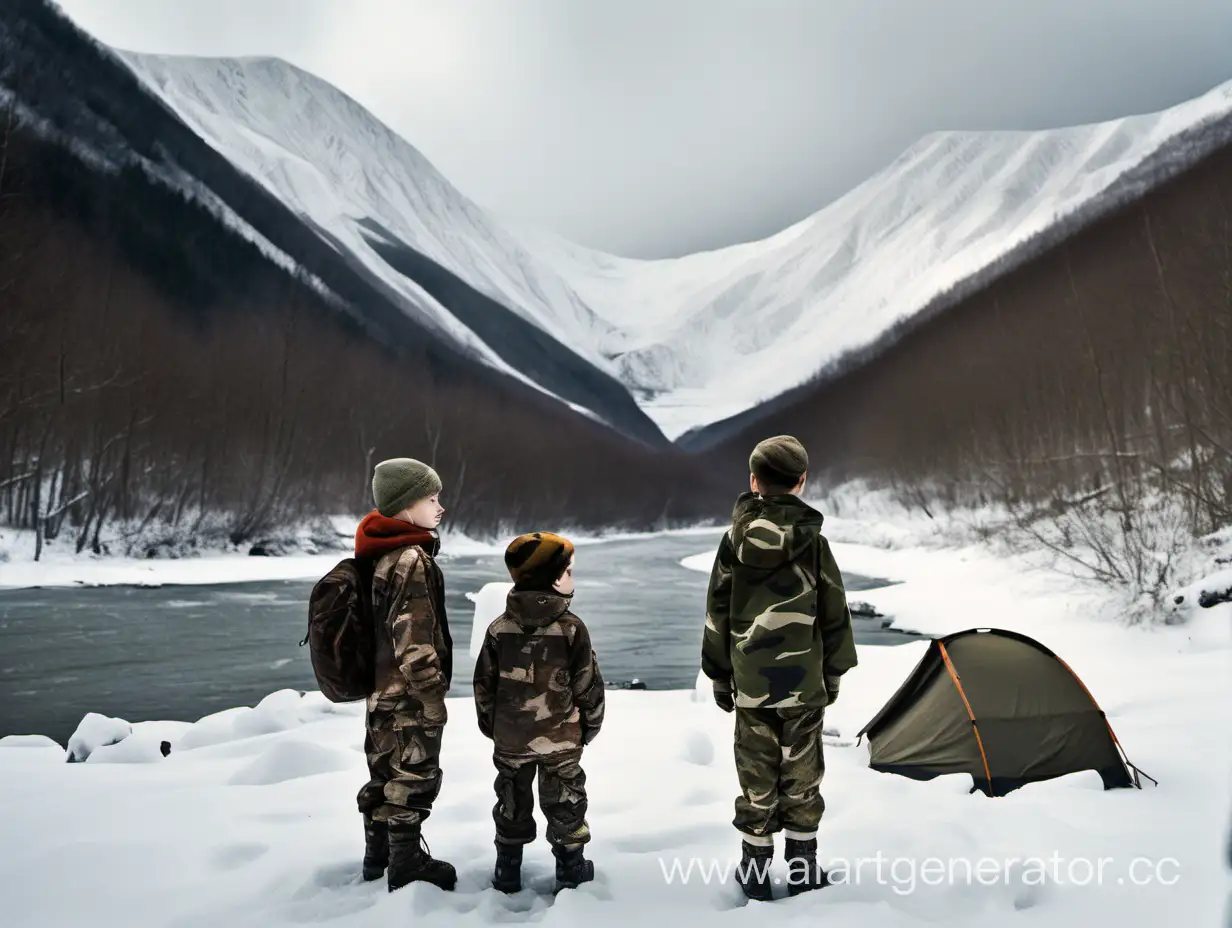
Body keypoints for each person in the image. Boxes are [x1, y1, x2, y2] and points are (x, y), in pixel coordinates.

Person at [700, 435, 858, 901]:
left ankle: (754, 875)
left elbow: (717, 612)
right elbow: (835, 613)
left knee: (756, 779)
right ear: (802, 483)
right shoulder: (815, 544)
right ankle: (803, 871)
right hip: (804, 686)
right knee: (802, 777)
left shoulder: (733, 542)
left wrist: (718, 674)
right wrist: (834, 673)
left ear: (753, 480)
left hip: (751, 686)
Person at [473, 532, 606, 895]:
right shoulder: (571, 628)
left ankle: (507, 868)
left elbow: (483, 686)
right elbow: (587, 684)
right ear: (551, 578)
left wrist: (495, 728)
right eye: (568, 572)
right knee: (566, 799)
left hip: (511, 738)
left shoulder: (499, 628)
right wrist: (588, 727)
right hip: (561, 738)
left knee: (511, 799)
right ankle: (571, 867)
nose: (573, 579)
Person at [353, 457, 456, 892]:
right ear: (406, 504)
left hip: (378, 692)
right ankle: (407, 863)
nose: (441, 507)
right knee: (414, 776)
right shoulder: (410, 558)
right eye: (432, 499)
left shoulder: (377, 552)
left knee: (383, 772)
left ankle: (377, 856)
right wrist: (431, 696)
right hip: (408, 694)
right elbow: (413, 637)